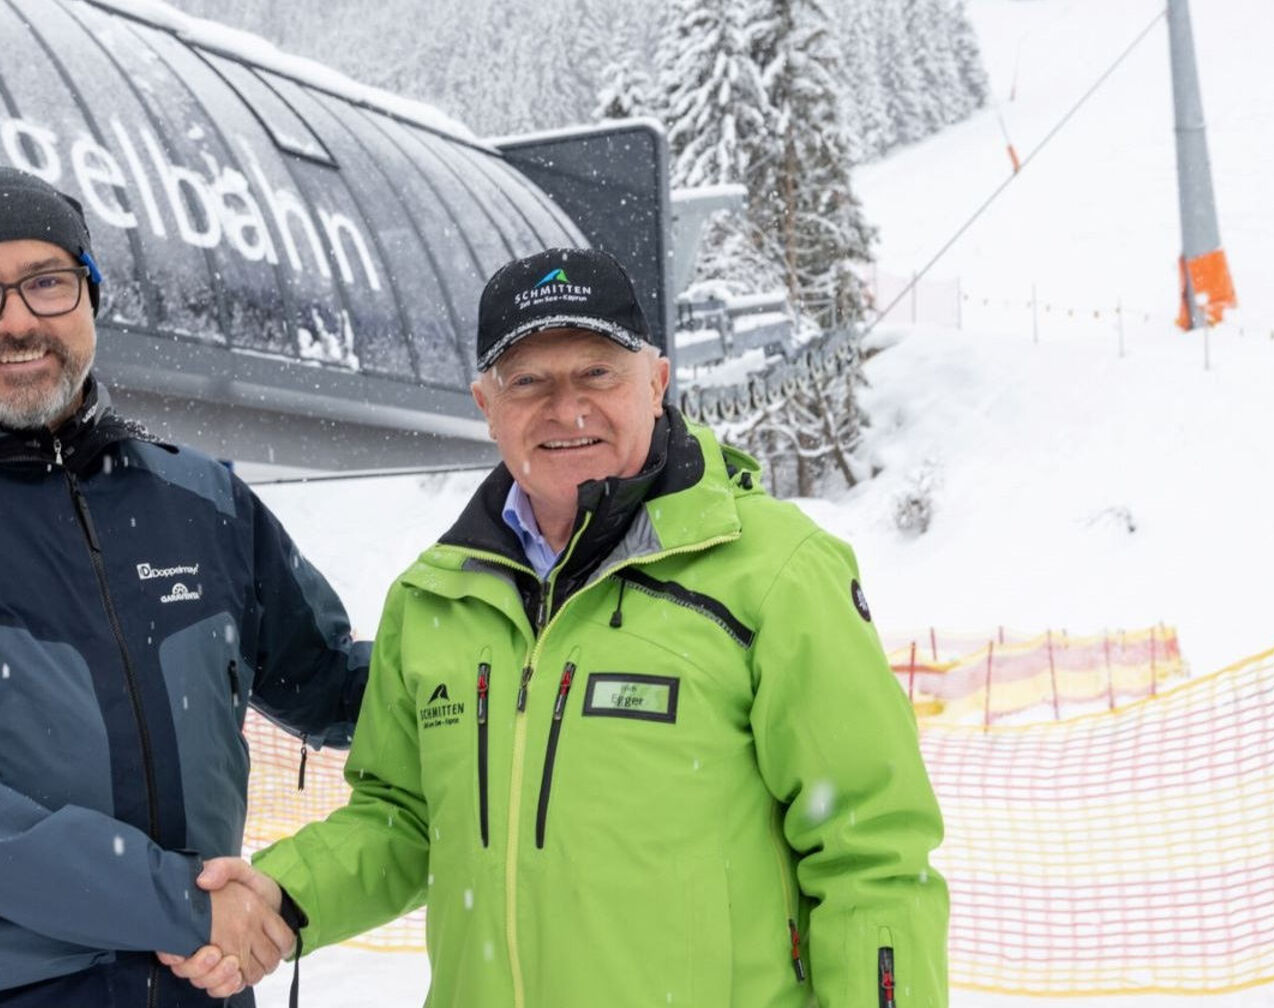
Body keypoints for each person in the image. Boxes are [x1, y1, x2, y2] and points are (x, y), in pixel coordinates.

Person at [168, 247, 950, 1006]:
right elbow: (402, 821)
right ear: (486, 405)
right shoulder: (435, 600)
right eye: (529, 381)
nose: (566, 409)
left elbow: (870, 856)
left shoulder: (775, 573)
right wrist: (282, 894)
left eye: (597, 373)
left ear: (657, 383)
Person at [0, 166, 366, 1008]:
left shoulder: (200, 501)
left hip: (199, 990)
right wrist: (179, 907)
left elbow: (333, 685)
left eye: (48, 283)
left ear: (91, 296)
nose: (18, 321)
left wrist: (501, 673)